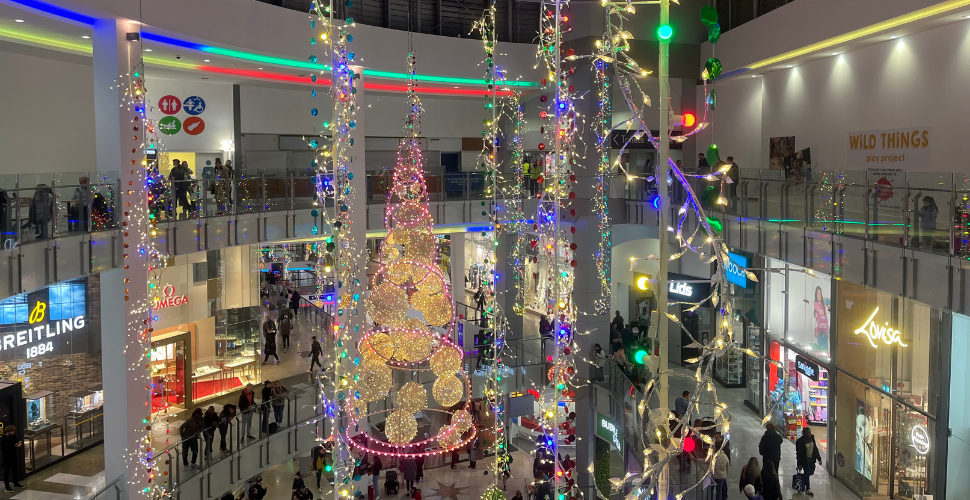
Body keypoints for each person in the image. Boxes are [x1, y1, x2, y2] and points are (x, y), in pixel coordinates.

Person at [796, 427, 822, 496]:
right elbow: (799, 453)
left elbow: (815, 449)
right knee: (807, 473)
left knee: (811, 472)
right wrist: (799, 464)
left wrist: (819, 458)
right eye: (808, 433)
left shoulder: (812, 438)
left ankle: (802, 480)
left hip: (812, 459)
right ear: (805, 434)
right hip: (805, 460)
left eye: (810, 432)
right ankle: (808, 489)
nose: (810, 434)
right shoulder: (800, 441)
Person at [0, 425, 23, 491]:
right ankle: (7, 486)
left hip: (13, 456)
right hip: (6, 457)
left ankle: (15, 483)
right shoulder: (3, 439)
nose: (13, 432)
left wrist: (18, 444)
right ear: (8, 431)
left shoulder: (13, 436)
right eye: (12, 431)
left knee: (14, 470)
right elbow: (5, 449)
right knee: (7, 472)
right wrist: (14, 446)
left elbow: (16, 441)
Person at [813, 286, 829, 352]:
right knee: (819, 348)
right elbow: (821, 312)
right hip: (819, 329)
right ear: (816, 295)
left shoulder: (824, 304)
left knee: (825, 348)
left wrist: (827, 331)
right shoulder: (816, 303)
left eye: (820, 294)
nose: (819, 296)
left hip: (825, 329)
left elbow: (826, 317)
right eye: (818, 294)